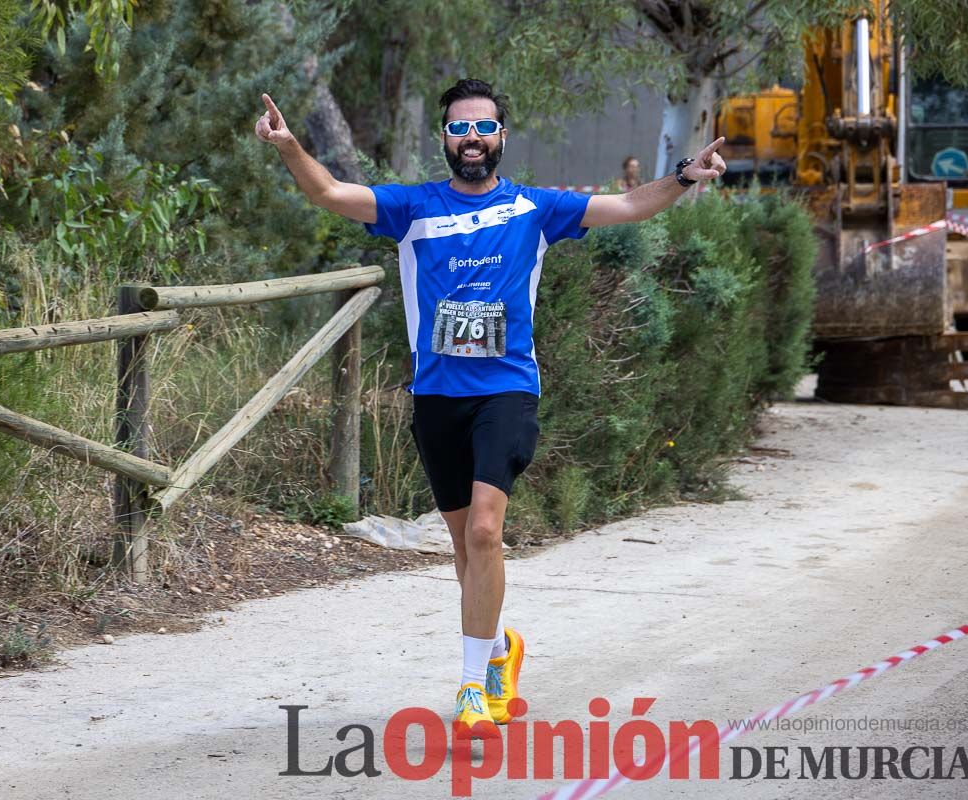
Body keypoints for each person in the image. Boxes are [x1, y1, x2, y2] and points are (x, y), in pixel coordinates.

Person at [255, 78, 725, 739]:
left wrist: (683, 177)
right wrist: (289, 146)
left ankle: (473, 690)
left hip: (506, 390)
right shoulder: (412, 207)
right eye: (458, 129)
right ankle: (501, 649)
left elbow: (624, 204)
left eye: (482, 128)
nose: (471, 138)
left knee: (484, 532)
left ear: (502, 137)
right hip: (437, 398)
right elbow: (329, 193)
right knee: (463, 548)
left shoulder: (534, 207)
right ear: (444, 139)